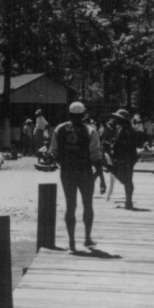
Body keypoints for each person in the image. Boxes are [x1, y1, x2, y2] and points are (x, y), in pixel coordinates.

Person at [50, 101, 103, 252]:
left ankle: (72, 242)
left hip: (67, 172)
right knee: (87, 204)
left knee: (70, 205)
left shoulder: (59, 129)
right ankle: (87, 238)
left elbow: (54, 152)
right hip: (85, 171)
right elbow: (96, 155)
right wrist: (100, 176)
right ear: (83, 115)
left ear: (69, 114)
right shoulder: (89, 130)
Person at [108, 108, 138, 210]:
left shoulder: (128, 129)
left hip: (126, 157)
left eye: (117, 118)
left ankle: (129, 201)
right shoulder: (122, 127)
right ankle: (128, 201)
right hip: (123, 157)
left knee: (127, 180)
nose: (115, 120)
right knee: (127, 179)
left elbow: (128, 144)